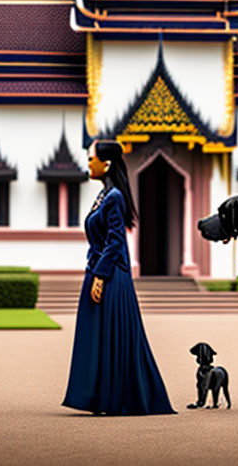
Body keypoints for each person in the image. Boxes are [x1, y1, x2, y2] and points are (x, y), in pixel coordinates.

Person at [62, 139, 176, 416]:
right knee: (96, 337)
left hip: (111, 277)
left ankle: (116, 399)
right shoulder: (104, 195)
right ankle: (98, 397)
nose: (89, 163)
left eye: (92, 158)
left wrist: (101, 276)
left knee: (111, 337)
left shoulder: (114, 198)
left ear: (107, 163)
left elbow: (115, 241)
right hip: (98, 270)